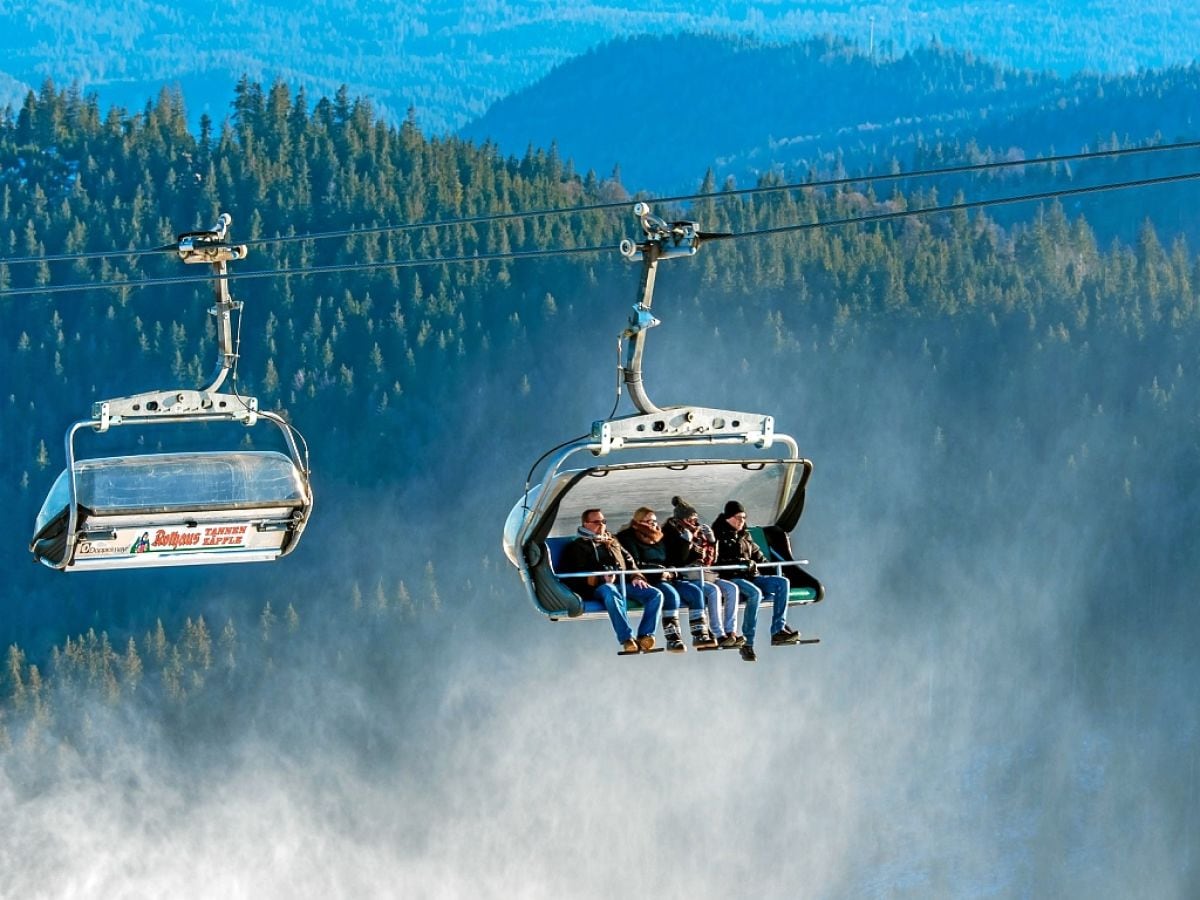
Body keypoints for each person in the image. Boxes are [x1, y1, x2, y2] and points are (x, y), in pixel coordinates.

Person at [559, 508, 665, 653]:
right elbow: (572, 573)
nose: (601, 525)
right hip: (597, 587)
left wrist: (636, 576)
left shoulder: (612, 541)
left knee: (655, 594)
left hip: (621, 582)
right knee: (610, 591)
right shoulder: (577, 547)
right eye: (596, 522)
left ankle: (645, 635)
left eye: (603, 521)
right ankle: (627, 638)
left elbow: (629, 561)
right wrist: (601, 578)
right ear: (585, 524)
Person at [712, 500, 802, 662]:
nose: (742, 521)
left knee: (782, 583)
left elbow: (758, 556)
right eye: (738, 518)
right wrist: (739, 562)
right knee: (755, 594)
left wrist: (773, 570)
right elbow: (715, 562)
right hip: (733, 577)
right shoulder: (719, 534)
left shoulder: (745, 535)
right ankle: (748, 641)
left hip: (753, 576)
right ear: (728, 517)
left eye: (744, 518)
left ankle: (778, 630)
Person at [617, 506, 716, 652]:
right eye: (648, 521)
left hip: (667, 576)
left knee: (695, 592)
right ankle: (673, 638)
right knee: (671, 595)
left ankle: (700, 634)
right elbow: (634, 563)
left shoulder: (659, 536)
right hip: (649, 579)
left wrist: (686, 545)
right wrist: (659, 573)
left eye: (654, 521)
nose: (653, 524)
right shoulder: (628, 537)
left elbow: (673, 560)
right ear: (638, 521)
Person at [661, 496, 743, 650]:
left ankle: (731, 631)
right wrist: (685, 542)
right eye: (691, 519)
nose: (694, 522)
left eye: (695, 519)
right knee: (713, 592)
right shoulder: (671, 533)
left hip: (705, 573)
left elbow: (711, 560)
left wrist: (712, 542)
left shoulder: (699, 533)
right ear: (682, 519)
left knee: (732, 588)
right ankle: (718, 634)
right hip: (689, 576)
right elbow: (678, 561)